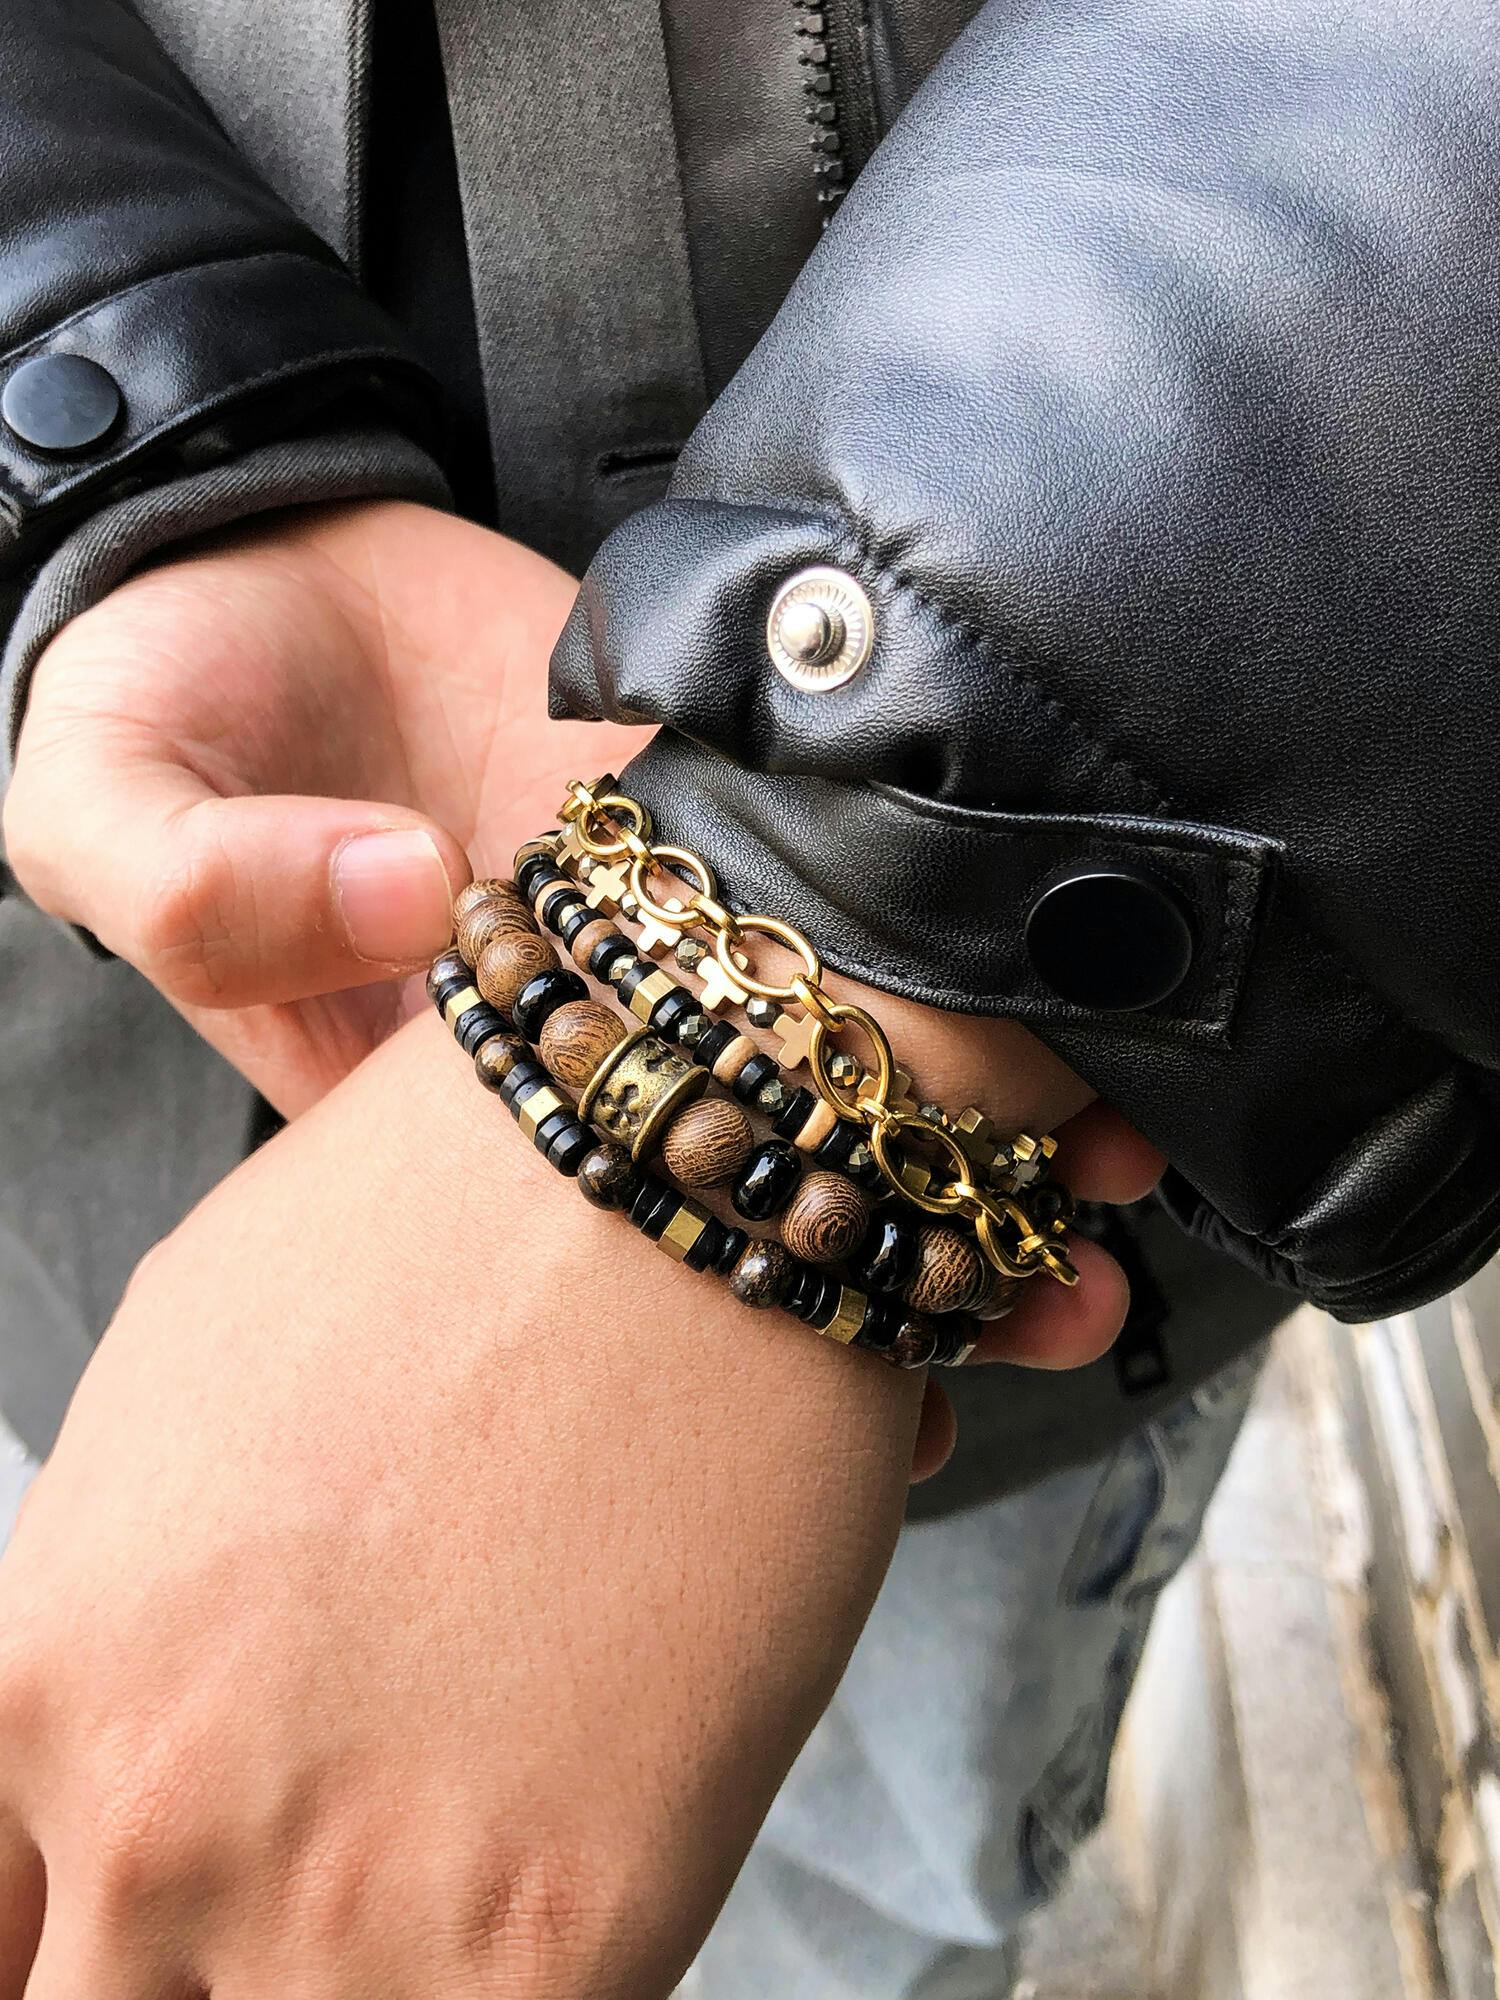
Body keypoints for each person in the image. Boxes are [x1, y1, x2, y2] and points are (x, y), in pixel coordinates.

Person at [0, 1, 1495, 1994]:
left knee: (876, 1887)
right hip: (77, 1057)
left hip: (1071, 1183)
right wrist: (107, 393)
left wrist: (879, 879)